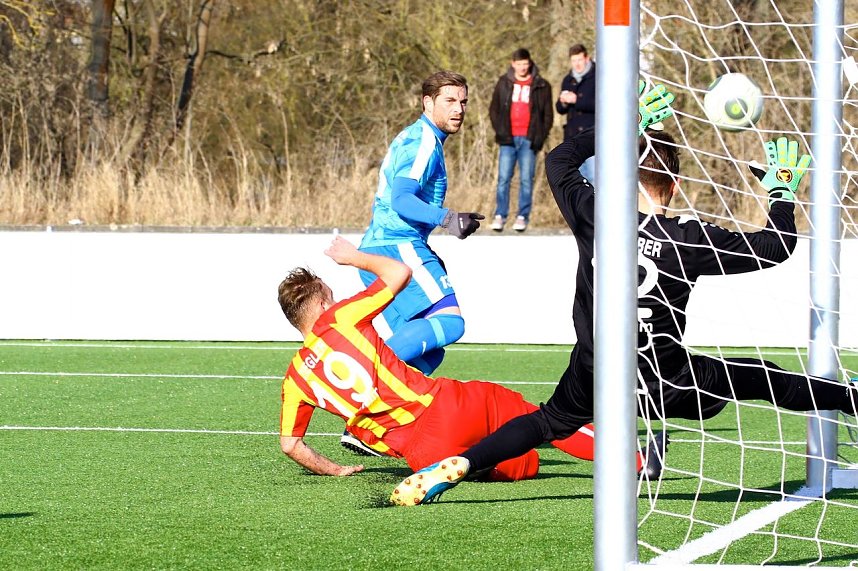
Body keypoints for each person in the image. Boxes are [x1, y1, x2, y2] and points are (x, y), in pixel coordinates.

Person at [390, 84, 858, 506]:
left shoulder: (595, 213)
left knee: (547, 423)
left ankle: (460, 465)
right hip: (667, 381)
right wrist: (780, 193)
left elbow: (557, 160)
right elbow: (776, 248)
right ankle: (851, 399)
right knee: (761, 379)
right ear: (673, 184)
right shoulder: (687, 237)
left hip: (596, 373)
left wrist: (620, 124)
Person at [276, 236, 662, 481]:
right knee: (546, 419)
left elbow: (291, 445)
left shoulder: (295, 379)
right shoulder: (339, 318)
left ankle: (467, 466)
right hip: (445, 408)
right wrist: (355, 257)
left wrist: (338, 469)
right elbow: (399, 271)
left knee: (525, 466)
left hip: (419, 454)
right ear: (325, 303)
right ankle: (639, 460)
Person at [358, 70, 484, 382]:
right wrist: (448, 219)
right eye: (450, 101)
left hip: (382, 248)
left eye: (463, 102)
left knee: (429, 352)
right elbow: (402, 200)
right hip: (396, 246)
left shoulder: (419, 137)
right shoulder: (424, 142)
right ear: (427, 102)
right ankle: (363, 386)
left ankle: (367, 423)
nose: (459, 109)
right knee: (450, 322)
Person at [488, 48, 554, 233]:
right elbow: (494, 109)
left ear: (530, 63)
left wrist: (540, 136)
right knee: (503, 178)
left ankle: (522, 216)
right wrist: (500, 131)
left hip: (529, 139)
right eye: (519, 64)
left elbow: (547, 115)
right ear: (513, 64)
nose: (523, 67)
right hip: (507, 138)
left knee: (526, 179)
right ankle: (500, 215)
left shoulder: (542, 85)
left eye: (525, 64)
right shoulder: (504, 83)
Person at [556, 44, 596, 183]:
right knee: (578, 180)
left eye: (579, 60)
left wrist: (576, 100)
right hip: (573, 138)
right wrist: (563, 102)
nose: (577, 64)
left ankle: (597, 205)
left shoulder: (599, 76)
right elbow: (560, 109)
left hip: (593, 137)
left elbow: (602, 104)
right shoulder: (568, 79)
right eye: (574, 61)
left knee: (594, 177)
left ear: (587, 58)